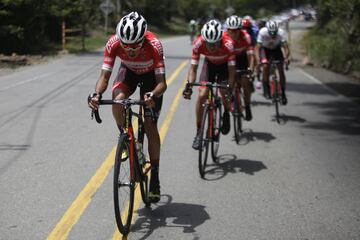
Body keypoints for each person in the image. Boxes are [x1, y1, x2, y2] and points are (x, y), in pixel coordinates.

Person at [88, 12, 167, 203]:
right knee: (117, 101)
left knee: (149, 125)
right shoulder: (114, 42)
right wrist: (97, 94)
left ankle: (154, 176)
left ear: (143, 39)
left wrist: (153, 95)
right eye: (126, 45)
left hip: (151, 80)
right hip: (129, 72)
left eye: (135, 46)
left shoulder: (154, 45)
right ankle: (125, 137)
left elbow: (162, 83)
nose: (130, 50)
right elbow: (105, 77)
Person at [182, 19, 236, 150]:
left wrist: (230, 88)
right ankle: (199, 132)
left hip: (224, 67)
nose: (211, 47)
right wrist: (189, 86)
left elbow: (232, 72)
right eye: (209, 44)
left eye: (215, 43)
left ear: (221, 40)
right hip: (209, 66)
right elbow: (193, 69)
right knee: (202, 94)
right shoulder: (198, 43)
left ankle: (226, 113)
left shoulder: (229, 45)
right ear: (204, 40)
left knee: (224, 92)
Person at [224, 15, 255, 121]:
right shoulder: (224, 38)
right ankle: (231, 99)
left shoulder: (246, 36)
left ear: (240, 29)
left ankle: (247, 106)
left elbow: (251, 55)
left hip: (242, 59)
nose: (234, 33)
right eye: (231, 30)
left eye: (237, 30)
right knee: (227, 82)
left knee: (245, 82)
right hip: (228, 60)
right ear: (227, 30)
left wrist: (250, 68)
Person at [255, 20, 290, 104]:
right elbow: (257, 48)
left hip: (276, 50)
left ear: (277, 30)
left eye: (274, 32)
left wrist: (286, 58)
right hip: (265, 50)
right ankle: (266, 88)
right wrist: (258, 60)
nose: (273, 34)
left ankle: (283, 93)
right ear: (267, 30)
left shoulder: (281, 33)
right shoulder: (262, 32)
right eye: (271, 33)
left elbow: (286, 48)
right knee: (266, 67)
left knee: (281, 69)